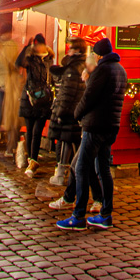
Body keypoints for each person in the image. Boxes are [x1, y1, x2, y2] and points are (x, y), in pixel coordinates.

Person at [57, 37, 126, 231]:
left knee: (81, 168)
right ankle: (106, 214)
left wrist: (76, 114)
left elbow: (89, 98)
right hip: (112, 125)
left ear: (98, 55)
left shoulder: (101, 71)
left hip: (95, 125)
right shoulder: (120, 70)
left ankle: (78, 216)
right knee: (103, 168)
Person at [48, 37, 88, 186]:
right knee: (76, 143)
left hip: (70, 110)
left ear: (77, 50)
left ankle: (61, 175)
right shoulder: (81, 65)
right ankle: (78, 174)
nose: (68, 50)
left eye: (71, 48)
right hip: (78, 110)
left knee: (65, 141)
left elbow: (67, 92)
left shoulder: (73, 68)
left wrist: (61, 111)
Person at [16, 34, 54, 176]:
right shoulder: (30, 59)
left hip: (43, 99)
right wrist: (26, 47)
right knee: (31, 130)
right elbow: (18, 63)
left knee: (37, 130)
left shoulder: (49, 59)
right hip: (29, 98)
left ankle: (33, 159)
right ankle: (31, 159)